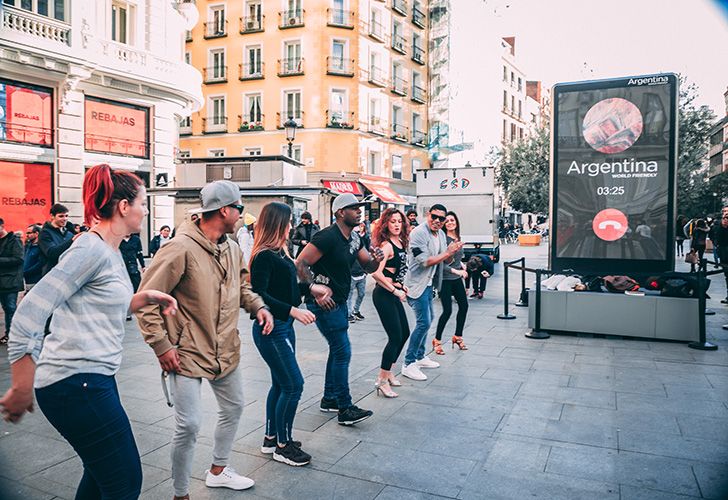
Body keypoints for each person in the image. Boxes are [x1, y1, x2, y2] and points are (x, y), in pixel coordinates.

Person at [0, 164, 177, 499]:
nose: (147, 209)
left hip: (89, 379)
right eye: (142, 202)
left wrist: (146, 298)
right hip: (76, 383)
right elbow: (29, 311)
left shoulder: (106, 250)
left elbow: (105, 304)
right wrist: (22, 385)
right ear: (124, 207)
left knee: (101, 478)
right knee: (124, 482)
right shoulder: (90, 249)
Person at [136, 180, 273, 499]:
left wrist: (259, 307)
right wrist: (161, 345)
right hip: (185, 353)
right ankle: (180, 493)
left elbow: (243, 287)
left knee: (235, 407)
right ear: (224, 210)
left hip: (226, 349)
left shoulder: (233, 247)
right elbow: (146, 299)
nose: (242, 215)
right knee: (189, 426)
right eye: (239, 209)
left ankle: (218, 470)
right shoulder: (179, 247)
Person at [249, 202, 327, 466]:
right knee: (294, 385)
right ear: (277, 224)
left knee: (281, 384)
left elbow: (286, 289)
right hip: (271, 327)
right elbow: (259, 294)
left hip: (283, 325)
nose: (292, 226)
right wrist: (293, 311)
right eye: (288, 222)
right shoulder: (263, 256)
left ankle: (272, 438)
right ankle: (283, 445)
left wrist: (310, 291)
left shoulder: (279, 252)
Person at [295, 193, 383, 425]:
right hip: (325, 302)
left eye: (360, 207)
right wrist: (314, 289)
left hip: (341, 301)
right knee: (343, 351)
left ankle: (330, 399)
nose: (359, 211)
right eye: (354, 208)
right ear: (340, 212)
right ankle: (345, 407)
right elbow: (300, 264)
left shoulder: (354, 238)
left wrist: (377, 258)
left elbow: (368, 266)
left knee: (337, 350)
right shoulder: (327, 237)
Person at [401, 204, 462, 381]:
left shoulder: (441, 234)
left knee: (429, 319)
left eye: (441, 218)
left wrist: (452, 253)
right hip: (416, 284)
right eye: (434, 216)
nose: (437, 221)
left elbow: (445, 258)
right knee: (423, 322)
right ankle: (408, 363)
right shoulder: (419, 233)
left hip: (429, 284)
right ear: (428, 215)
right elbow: (424, 261)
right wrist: (447, 253)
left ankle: (420, 356)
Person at [370, 208, 410, 398]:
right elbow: (376, 273)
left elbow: (395, 272)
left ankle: (389, 370)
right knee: (395, 337)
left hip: (393, 292)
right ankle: (382, 380)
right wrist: (395, 289)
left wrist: (401, 285)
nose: (396, 224)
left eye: (399, 221)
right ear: (385, 224)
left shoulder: (400, 242)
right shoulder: (386, 245)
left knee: (404, 333)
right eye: (392, 221)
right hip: (383, 295)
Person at [434, 211, 469, 354]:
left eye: (452, 220)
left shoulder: (457, 238)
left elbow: (457, 257)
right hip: (445, 279)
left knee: (464, 306)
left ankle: (458, 336)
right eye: (447, 221)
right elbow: (441, 263)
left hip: (456, 279)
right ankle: (437, 340)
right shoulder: (443, 240)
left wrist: (462, 265)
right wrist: (457, 272)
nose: (450, 223)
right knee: (447, 311)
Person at [0, 218, 24, 345]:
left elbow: (18, 259)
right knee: (7, 308)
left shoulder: (14, 240)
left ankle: (12, 335)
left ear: (2, 226)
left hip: (11, 281)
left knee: (10, 308)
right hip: (2, 281)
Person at [38, 203, 75, 275]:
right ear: (52, 216)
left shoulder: (69, 234)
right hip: (51, 274)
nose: (65, 219)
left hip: (68, 274)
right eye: (61, 216)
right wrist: (72, 241)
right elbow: (51, 253)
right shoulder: (45, 233)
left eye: (66, 216)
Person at [120, 233, 146, 321]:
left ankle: (136, 308)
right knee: (123, 289)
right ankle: (126, 311)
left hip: (133, 266)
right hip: (121, 266)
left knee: (137, 287)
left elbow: (139, 253)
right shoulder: (118, 237)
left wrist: (143, 265)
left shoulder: (136, 239)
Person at [347, 222, 370, 322]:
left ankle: (355, 311)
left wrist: (365, 271)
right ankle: (348, 314)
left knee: (361, 294)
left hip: (361, 273)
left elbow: (367, 257)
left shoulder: (363, 242)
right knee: (349, 295)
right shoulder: (348, 247)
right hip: (352, 274)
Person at [22, 224, 44, 293]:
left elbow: (40, 264)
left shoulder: (42, 247)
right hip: (27, 281)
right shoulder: (28, 246)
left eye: (29, 233)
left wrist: (26, 272)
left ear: (36, 233)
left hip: (36, 281)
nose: (27, 235)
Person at [714, 211, 728, 304]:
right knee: (727, 276)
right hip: (724, 254)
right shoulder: (720, 228)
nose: (725, 220)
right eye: (724, 218)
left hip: (725, 253)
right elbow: (717, 238)